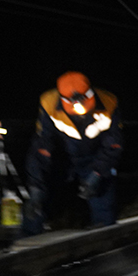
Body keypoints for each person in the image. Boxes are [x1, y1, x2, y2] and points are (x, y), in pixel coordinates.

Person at [23, 72, 123, 235]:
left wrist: (97, 174)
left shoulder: (109, 102)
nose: (79, 108)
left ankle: (105, 236)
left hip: (94, 158)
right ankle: (27, 238)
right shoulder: (49, 103)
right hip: (61, 158)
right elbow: (41, 147)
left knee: (103, 198)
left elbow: (113, 145)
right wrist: (35, 187)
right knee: (38, 200)